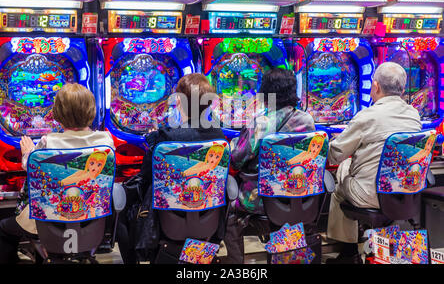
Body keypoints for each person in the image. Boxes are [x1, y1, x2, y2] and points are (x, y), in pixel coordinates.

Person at [116, 74, 226, 264]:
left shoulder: (166, 137)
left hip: (166, 219)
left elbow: (145, 179)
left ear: (180, 101)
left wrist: (152, 144)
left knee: (123, 207)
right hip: (207, 216)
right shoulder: (219, 136)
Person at [0, 83, 114, 264]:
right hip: (92, 219)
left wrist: (27, 152)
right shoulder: (106, 140)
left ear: (57, 113)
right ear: (92, 109)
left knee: (4, 228)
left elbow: (30, 167)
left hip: (50, 220)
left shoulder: (48, 142)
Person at [326, 62, 421, 264]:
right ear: (403, 90)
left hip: (371, 196)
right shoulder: (414, 115)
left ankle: (349, 252)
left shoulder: (367, 116)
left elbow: (335, 154)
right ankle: (379, 244)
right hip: (406, 191)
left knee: (342, 172)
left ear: (375, 86)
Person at [226, 67, 316, 264]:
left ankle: (236, 266)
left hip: (260, 200)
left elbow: (237, 159)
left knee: (229, 211)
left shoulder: (262, 122)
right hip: (299, 195)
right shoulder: (308, 120)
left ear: (265, 93)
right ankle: (288, 259)